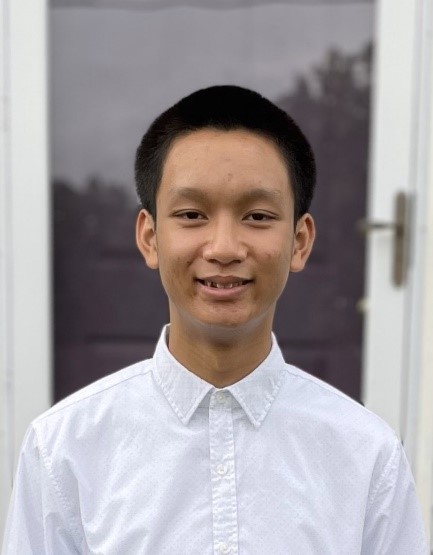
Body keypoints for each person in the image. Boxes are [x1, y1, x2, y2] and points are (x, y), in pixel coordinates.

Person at [2, 86, 427, 554]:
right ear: (149, 237)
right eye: (191, 214)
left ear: (300, 241)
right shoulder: (64, 448)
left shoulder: (366, 455)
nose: (224, 247)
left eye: (258, 215)